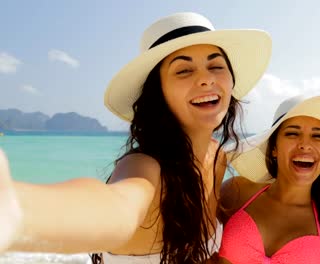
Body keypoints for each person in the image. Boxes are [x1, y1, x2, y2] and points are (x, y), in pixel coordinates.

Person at [0, 12, 272, 264]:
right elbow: (116, 206)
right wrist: (19, 211)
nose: (206, 79)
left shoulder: (217, 157)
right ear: (159, 94)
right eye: (183, 70)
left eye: (216, 66)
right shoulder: (145, 167)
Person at [215, 95, 320, 264]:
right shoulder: (236, 191)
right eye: (292, 133)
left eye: (318, 136)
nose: (305, 144)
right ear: (274, 148)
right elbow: (197, 240)